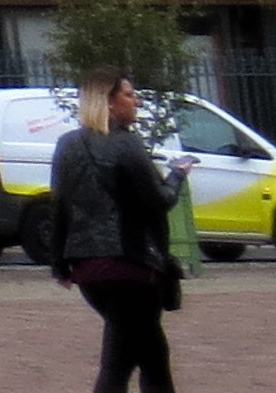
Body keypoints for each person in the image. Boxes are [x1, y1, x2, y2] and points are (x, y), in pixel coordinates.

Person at [47, 72, 180, 393]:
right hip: (129, 265)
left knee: (152, 355)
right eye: (129, 95)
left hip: (87, 269)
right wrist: (177, 176)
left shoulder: (67, 144)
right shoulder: (126, 142)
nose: (137, 101)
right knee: (118, 365)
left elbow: (59, 205)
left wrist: (59, 263)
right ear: (109, 102)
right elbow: (159, 200)